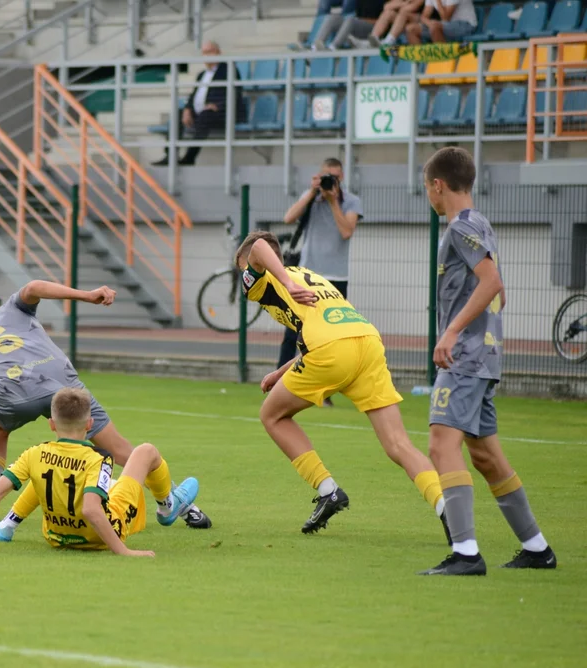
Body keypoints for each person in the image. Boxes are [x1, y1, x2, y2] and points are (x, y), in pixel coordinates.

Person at [0, 280, 212, 532]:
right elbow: (34, 286)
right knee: (118, 448)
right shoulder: (15, 307)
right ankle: (179, 505)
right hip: (60, 380)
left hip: (15, 393)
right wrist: (88, 296)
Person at [236, 231, 449, 539]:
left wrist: (284, 281)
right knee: (398, 444)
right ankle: (446, 507)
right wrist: (281, 372)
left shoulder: (269, 281)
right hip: (366, 342)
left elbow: (257, 247)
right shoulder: (311, 276)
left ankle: (328, 490)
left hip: (332, 351)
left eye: (245, 269)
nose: (246, 276)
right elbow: (323, 330)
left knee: (272, 416)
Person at [418, 148, 555, 576]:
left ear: (438, 185)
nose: (429, 196)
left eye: (428, 189)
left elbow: (490, 280)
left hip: (466, 356)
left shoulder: (460, 227)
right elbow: (495, 283)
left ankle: (466, 553)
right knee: (486, 456)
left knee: (442, 445)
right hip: (486, 355)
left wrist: (452, 330)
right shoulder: (480, 222)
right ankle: (537, 548)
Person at [0, 388, 200, 556]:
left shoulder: (34, 453)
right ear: (90, 424)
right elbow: (91, 510)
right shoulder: (99, 458)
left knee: (47, 471)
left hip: (56, 537)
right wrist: (124, 552)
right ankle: (167, 507)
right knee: (146, 451)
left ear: (52, 424)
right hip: (104, 536)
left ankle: (7, 527)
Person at [279, 158, 363, 398]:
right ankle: (278, 382)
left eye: (335, 177)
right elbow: (288, 218)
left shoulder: (351, 201)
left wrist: (333, 201)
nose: (330, 181)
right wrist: (311, 194)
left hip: (336, 276)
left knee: (330, 335)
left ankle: (324, 389)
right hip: (308, 274)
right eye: (327, 176)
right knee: (293, 329)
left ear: (342, 178)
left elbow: (347, 231)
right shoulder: (311, 197)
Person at [152, 41, 241, 167]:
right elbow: (194, 95)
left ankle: (190, 157)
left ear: (218, 53)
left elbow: (234, 94)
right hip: (201, 111)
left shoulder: (229, 70)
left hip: (220, 113)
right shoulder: (202, 75)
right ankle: (170, 155)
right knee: (179, 113)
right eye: (204, 52)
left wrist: (217, 105)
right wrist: (187, 109)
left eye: (210, 51)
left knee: (205, 116)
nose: (207, 55)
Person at [313, 0, 386, 50]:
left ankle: (334, 47)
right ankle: (316, 46)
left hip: (374, 28)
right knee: (333, 18)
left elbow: (384, 21)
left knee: (350, 20)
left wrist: (360, 20)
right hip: (358, 24)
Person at [406, 0, 477, 44]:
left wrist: (438, 1)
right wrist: (430, 24)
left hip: (466, 25)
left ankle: (444, 63)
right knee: (411, 29)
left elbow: (445, 18)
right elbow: (423, 17)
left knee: (435, 27)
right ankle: (423, 64)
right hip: (448, 26)